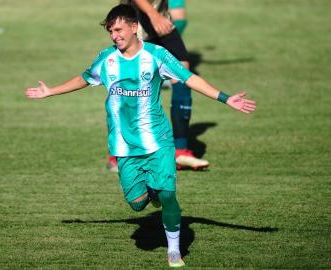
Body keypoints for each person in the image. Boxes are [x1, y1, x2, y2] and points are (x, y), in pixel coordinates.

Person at [25, 4, 256, 267]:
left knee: (168, 194)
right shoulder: (107, 59)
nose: (114, 35)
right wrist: (50, 91)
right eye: (111, 31)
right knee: (136, 205)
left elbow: (189, 78)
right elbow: (84, 78)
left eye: (119, 29)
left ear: (135, 27)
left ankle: (173, 249)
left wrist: (226, 99)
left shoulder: (156, 55)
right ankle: (152, 192)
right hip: (123, 146)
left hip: (158, 141)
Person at [107, 0, 207, 173]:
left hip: (161, 20)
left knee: (182, 73)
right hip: (135, 20)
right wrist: (153, 15)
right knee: (129, 86)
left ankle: (180, 150)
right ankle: (119, 153)